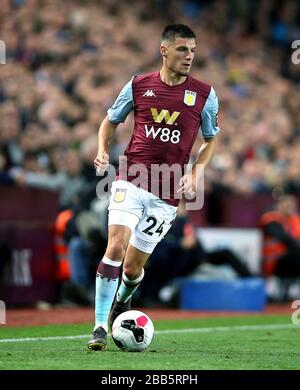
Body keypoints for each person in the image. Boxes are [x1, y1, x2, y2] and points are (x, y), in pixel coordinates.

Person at [88, 24, 220, 350]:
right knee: (115, 247)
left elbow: (210, 139)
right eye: (182, 50)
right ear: (164, 50)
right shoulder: (137, 85)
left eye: (192, 50)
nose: (189, 56)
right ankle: (99, 326)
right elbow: (110, 121)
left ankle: (124, 298)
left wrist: (196, 172)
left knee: (132, 269)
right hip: (130, 178)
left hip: (166, 193)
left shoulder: (205, 94)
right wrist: (103, 149)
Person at [259, 194, 300, 281]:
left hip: (292, 258)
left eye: (292, 203)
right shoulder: (270, 219)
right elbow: (285, 238)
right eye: (286, 203)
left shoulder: (295, 220)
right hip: (275, 261)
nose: (290, 205)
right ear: (278, 205)